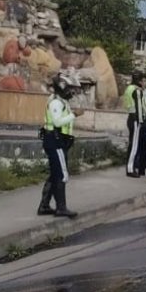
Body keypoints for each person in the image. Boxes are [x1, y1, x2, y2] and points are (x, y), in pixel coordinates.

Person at [38, 72, 83, 218]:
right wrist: (74, 115)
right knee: (62, 174)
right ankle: (61, 208)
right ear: (62, 88)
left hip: (57, 140)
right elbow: (57, 122)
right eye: (69, 88)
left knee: (55, 173)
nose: (71, 92)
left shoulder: (60, 101)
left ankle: (44, 206)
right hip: (55, 141)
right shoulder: (56, 103)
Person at [122, 72, 146, 177]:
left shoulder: (129, 89)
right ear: (139, 81)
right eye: (143, 80)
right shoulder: (137, 91)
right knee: (134, 145)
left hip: (131, 117)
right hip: (136, 119)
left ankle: (141, 167)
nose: (145, 83)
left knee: (142, 144)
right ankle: (130, 169)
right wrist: (141, 121)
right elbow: (139, 107)